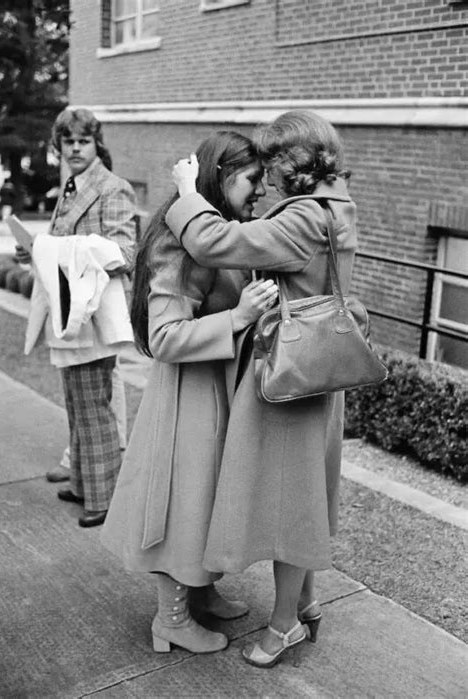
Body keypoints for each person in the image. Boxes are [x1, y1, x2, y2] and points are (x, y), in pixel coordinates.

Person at [166, 110, 356, 668]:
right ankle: (307, 601)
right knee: (304, 494)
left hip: (290, 377)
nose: (267, 179)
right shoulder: (338, 205)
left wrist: (184, 191)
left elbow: (215, 242)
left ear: (295, 163)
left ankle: (285, 625)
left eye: (272, 165)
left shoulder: (304, 219)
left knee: (289, 503)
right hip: (319, 371)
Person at [101, 131, 277, 655]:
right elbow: (164, 337)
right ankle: (171, 618)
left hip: (217, 386)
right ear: (221, 176)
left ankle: (200, 592)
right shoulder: (176, 241)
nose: (262, 190)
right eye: (253, 179)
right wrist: (240, 315)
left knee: (209, 496)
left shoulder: (217, 229)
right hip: (190, 396)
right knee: (186, 501)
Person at [17, 108, 137, 528]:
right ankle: (85, 484)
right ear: (59, 147)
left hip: (95, 314)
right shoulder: (70, 187)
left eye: (83, 141)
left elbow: (124, 252)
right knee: (77, 403)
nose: (75, 148)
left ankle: (105, 498)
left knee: (94, 406)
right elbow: (64, 245)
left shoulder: (113, 187)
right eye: (68, 142)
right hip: (70, 313)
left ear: (96, 143)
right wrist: (36, 250)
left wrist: (63, 251)